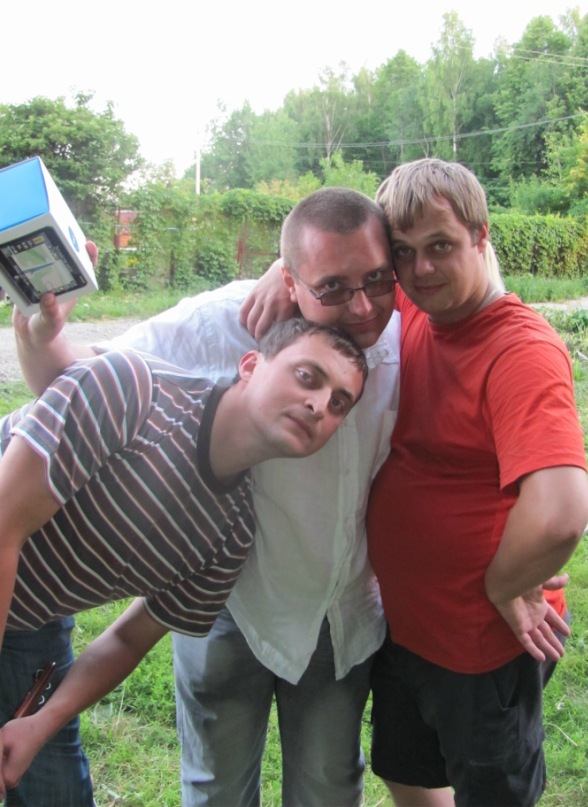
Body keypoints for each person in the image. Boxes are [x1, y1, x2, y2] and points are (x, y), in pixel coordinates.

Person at [12, 188, 447, 807]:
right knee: (216, 785)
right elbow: (75, 383)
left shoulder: (413, 333)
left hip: (336, 611)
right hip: (229, 602)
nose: (361, 305)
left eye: (377, 279)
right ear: (290, 281)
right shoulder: (225, 322)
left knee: (329, 787)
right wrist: (41, 333)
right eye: (331, 287)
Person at [0, 317, 368, 803]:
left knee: (54, 792)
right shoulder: (134, 391)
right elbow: (4, 527)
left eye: (339, 402)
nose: (319, 404)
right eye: (307, 376)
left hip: (29, 621)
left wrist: (42, 722)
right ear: (250, 365)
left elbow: (129, 639)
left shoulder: (231, 537)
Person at [365, 158, 588, 806]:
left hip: (482, 645)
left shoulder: (520, 351)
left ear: (480, 236)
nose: (420, 269)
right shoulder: (417, 309)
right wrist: (281, 270)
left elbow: (559, 512)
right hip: (407, 627)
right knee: (407, 771)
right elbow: (331, 241)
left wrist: (505, 583)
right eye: (403, 252)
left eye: (440, 246)